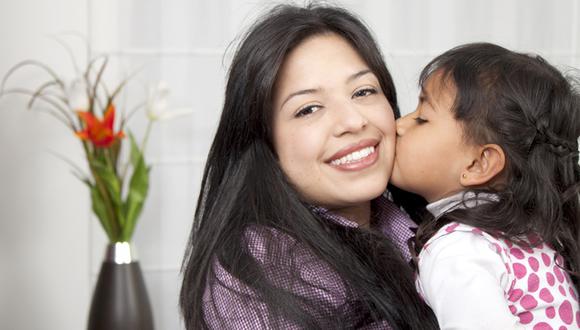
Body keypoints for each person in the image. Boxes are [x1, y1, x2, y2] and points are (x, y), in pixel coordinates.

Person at [179, 4, 438, 330]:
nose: (353, 121)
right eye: (309, 109)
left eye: (363, 91)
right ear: (265, 143)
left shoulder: (422, 226)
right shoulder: (257, 270)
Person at [391, 42, 580, 329]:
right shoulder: (528, 233)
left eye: (421, 119)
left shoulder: (457, 250)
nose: (399, 125)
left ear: (478, 164)